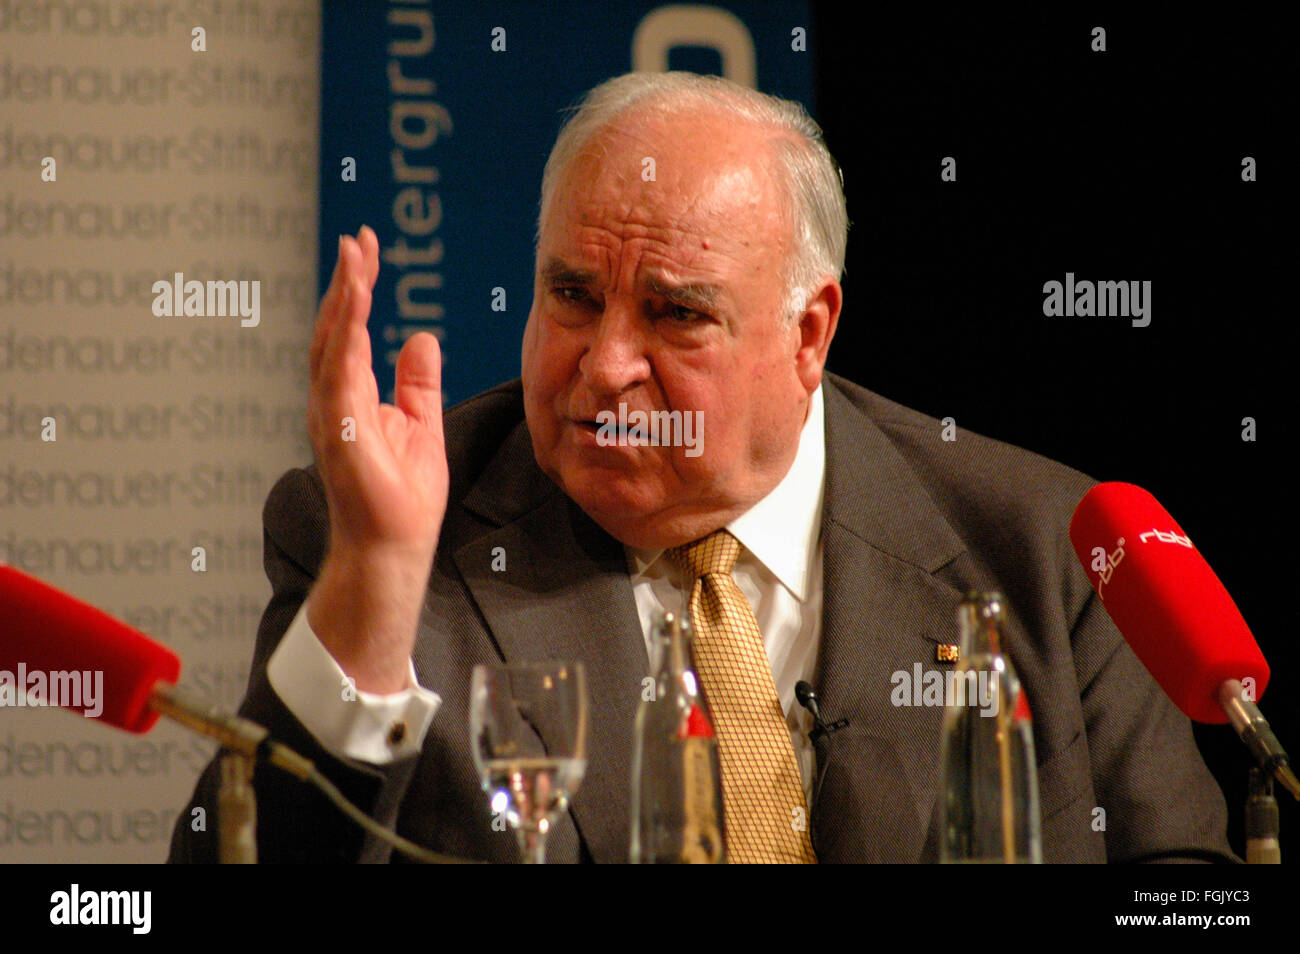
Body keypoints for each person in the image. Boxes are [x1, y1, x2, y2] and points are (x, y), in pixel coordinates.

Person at [169, 71, 1234, 863]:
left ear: (808, 334)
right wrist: (375, 592)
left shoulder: (1047, 548)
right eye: (573, 295)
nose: (605, 365)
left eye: (676, 314)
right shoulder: (386, 531)